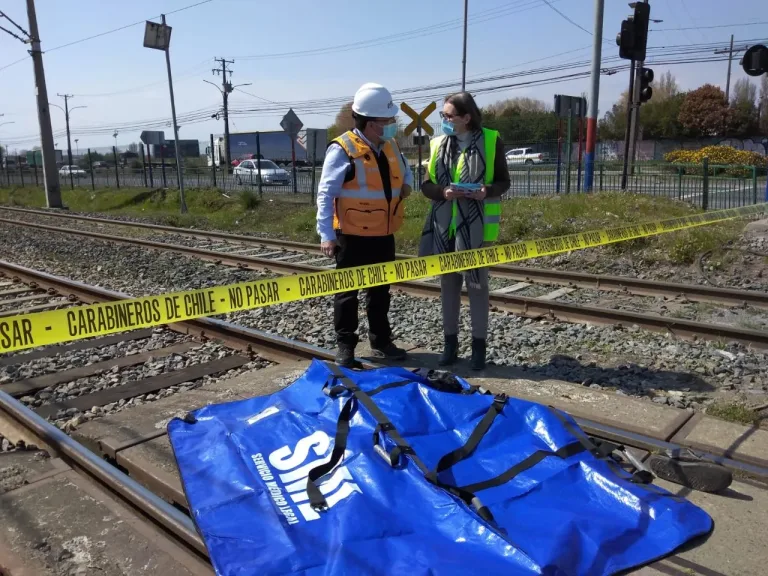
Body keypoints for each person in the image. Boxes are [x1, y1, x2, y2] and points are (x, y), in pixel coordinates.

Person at [316, 82, 412, 368]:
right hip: (351, 235)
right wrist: (326, 235)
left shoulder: (391, 146)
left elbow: (406, 172)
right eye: (387, 120)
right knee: (347, 294)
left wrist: (406, 185)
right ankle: (346, 346)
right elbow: (326, 193)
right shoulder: (342, 148)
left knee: (380, 291)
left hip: (383, 233)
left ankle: (381, 341)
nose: (392, 124)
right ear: (371, 123)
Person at [419, 92, 510, 371]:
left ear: (466, 118)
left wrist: (487, 191)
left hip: (476, 230)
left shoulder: (492, 140)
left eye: (449, 116)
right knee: (448, 286)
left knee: (477, 287)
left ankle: (479, 348)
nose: (444, 121)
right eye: (444, 116)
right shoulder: (437, 144)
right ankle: (450, 344)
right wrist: (443, 192)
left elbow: (504, 181)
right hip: (445, 228)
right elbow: (426, 185)